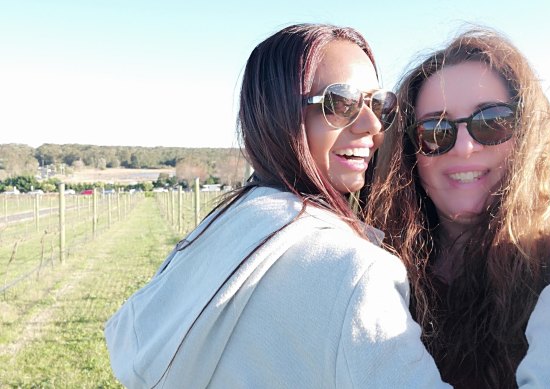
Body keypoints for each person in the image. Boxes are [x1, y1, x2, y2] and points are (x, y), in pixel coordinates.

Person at [104, 23, 450, 388]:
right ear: (277, 114)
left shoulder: (217, 233)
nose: (372, 125)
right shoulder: (357, 274)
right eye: (342, 103)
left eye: (379, 103)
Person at [365, 27, 550, 388]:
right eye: (436, 130)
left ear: (526, 137)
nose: (464, 148)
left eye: (492, 122)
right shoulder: (374, 261)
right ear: (410, 153)